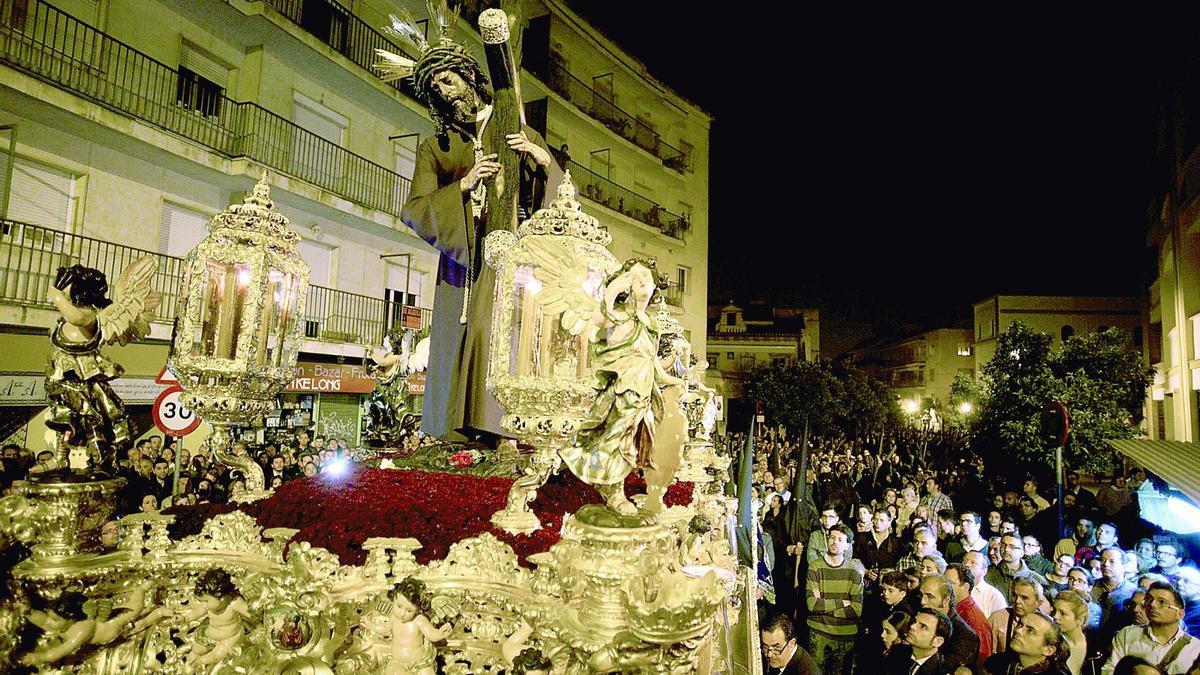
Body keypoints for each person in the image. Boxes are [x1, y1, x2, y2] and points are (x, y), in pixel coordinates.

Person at [392, 20, 563, 444]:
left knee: (501, 333)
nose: (444, 91)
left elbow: (561, 197)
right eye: (434, 88)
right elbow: (415, 208)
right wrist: (464, 187)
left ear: (469, 76)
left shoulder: (512, 122)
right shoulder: (438, 146)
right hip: (463, 260)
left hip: (513, 257)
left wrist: (542, 160)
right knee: (465, 334)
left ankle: (504, 428)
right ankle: (458, 433)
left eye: (447, 80)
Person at [1102, 582, 1200, 675]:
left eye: (1162, 602)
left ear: (1179, 614)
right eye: (1149, 599)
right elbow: (1110, 670)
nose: (1152, 604)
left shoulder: (1195, 648)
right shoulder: (1128, 634)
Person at [806, 524, 863, 675]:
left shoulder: (853, 570)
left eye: (840, 539)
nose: (834, 542)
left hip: (845, 636)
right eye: (832, 538)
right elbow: (812, 605)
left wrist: (824, 608)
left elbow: (856, 609)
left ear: (847, 545)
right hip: (819, 633)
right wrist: (842, 603)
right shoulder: (815, 567)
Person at [918, 573, 982, 671]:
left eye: (930, 596)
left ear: (945, 601)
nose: (922, 601)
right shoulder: (917, 620)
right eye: (921, 595)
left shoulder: (965, 637)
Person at [982, 610, 1072, 675]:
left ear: (1048, 650)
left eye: (1030, 631)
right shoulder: (995, 663)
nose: (1018, 631)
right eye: (1020, 624)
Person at [946, 562, 996, 666]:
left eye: (949, 583)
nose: (944, 587)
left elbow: (983, 658)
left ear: (965, 587)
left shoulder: (973, 619)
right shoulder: (954, 609)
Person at [884, 608, 952, 675]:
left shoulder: (941, 671)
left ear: (937, 641)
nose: (912, 626)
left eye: (923, 626)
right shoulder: (897, 651)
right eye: (914, 622)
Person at [986, 532, 1049, 600]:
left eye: (1012, 547)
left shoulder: (1036, 580)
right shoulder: (987, 573)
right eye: (1003, 545)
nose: (1006, 549)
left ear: (1021, 553)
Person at [1052, 589, 1091, 675]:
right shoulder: (1051, 645)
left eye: (1062, 613)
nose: (1055, 616)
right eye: (1054, 611)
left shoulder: (1095, 645)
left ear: (1080, 620)